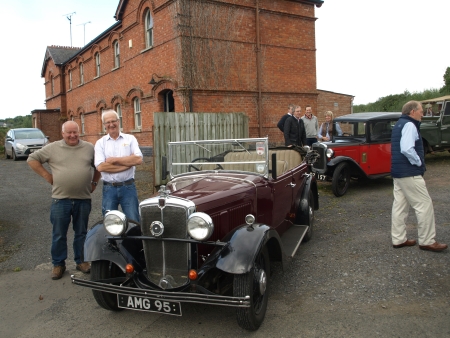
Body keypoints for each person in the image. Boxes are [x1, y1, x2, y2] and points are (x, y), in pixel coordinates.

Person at [27, 121, 101, 280]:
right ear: (63, 134)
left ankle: (81, 261)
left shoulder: (89, 148)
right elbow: (32, 159)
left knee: (81, 233)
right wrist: (47, 176)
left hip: (83, 199)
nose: (73, 135)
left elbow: (99, 166)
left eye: (75, 132)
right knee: (59, 234)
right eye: (69, 133)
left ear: (79, 132)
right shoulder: (53, 148)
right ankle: (58, 264)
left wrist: (94, 182)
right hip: (60, 200)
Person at [390, 100, 447, 252]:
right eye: (421, 110)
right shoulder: (410, 125)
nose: (423, 113)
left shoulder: (399, 124)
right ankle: (427, 240)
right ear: (412, 111)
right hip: (409, 172)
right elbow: (407, 148)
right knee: (424, 205)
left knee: (400, 206)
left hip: (398, 172)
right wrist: (418, 162)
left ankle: (398, 238)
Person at [95, 109, 143, 222]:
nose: (111, 124)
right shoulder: (100, 143)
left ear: (118, 121)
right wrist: (126, 164)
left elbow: (138, 159)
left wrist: (114, 160)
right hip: (109, 188)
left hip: (128, 187)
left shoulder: (130, 139)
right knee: (110, 222)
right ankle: (113, 241)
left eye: (113, 121)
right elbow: (101, 167)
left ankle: (133, 241)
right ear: (104, 125)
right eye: (108, 122)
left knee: (134, 221)